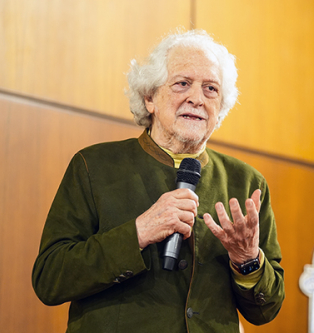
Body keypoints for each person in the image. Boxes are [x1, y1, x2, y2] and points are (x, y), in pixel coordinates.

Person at [32, 30, 284, 332]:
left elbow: (266, 309)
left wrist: (247, 260)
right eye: (182, 84)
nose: (197, 98)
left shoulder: (246, 183)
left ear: (221, 109)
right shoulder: (94, 166)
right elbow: (49, 278)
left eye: (211, 89)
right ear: (150, 97)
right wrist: (138, 232)